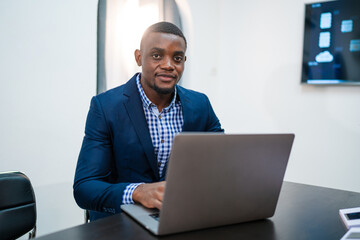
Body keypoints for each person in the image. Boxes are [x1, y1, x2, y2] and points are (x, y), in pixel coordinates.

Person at [73, 21, 223, 221]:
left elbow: (222, 162)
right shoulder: (105, 107)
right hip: (120, 224)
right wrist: (138, 192)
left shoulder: (200, 104)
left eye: (177, 58)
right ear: (138, 57)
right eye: (156, 55)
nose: (168, 65)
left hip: (181, 218)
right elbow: (85, 187)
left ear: (184, 61)